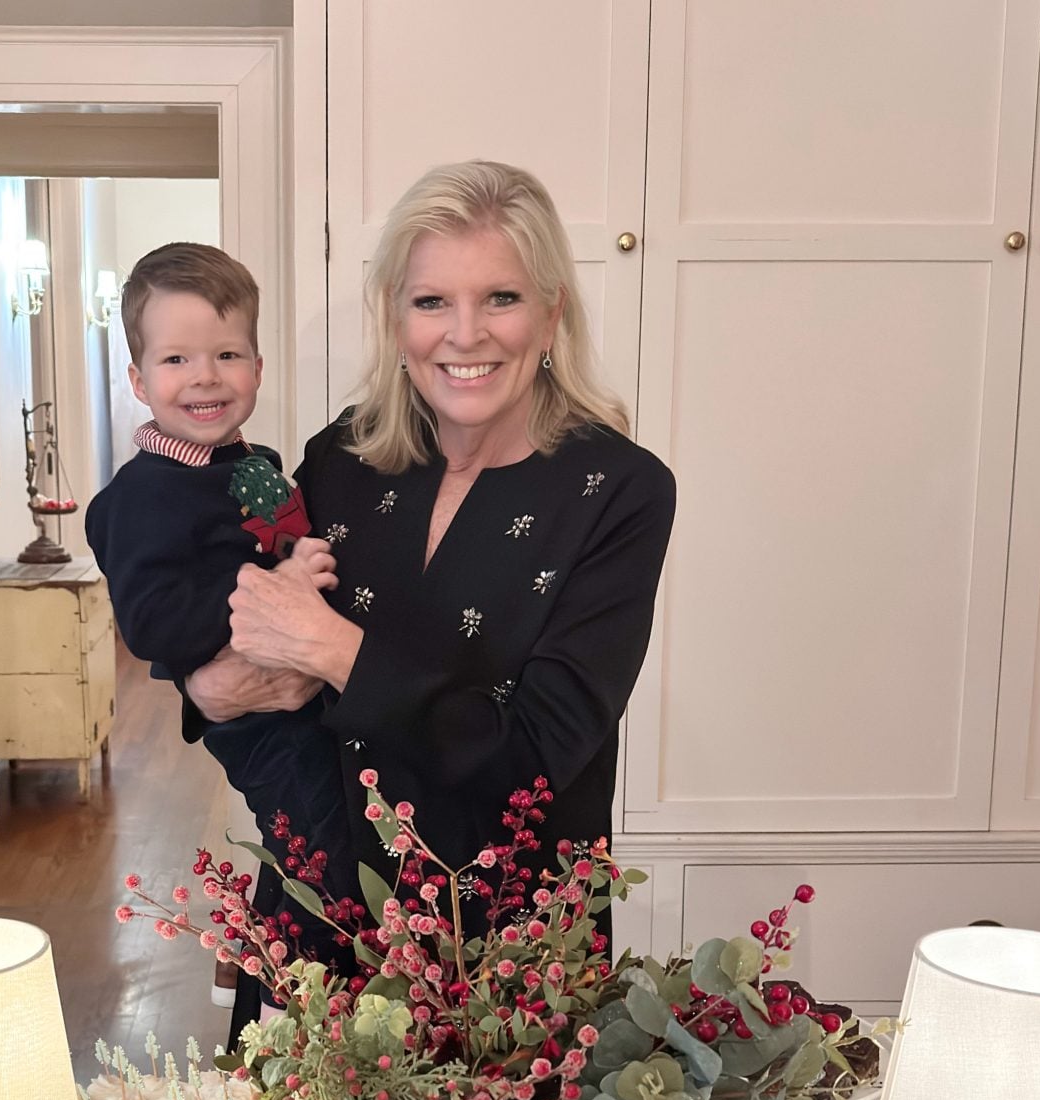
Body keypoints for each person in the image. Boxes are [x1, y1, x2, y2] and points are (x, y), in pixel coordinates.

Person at [180, 161, 677, 1042]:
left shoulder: (619, 491)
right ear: (394, 318)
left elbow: (537, 755)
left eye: (502, 298)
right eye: (432, 302)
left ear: (554, 312)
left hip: (501, 953)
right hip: (318, 919)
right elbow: (244, 641)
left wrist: (331, 650)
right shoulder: (341, 458)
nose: (465, 334)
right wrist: (205, 689)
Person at [84, 243, 355, 947]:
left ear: (258, 367)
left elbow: (284, 539)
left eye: (228, 355)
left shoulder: (257, 464)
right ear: (139, 380)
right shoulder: (139, 498)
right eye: (176, 360)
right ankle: (298, 992)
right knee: (318, 849)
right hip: (261, 725)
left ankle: (284, 968)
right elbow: (151, 624)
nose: (206, 377)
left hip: (323, 692)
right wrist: (268, 597)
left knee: (345, 832)